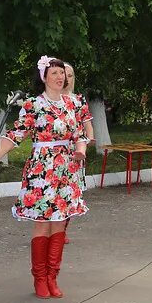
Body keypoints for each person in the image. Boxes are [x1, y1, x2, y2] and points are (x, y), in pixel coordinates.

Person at [0, 56, 89, 298]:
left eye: (62, 73)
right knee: (43, 223)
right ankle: (39, 279)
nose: (60, 77)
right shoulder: (33, 105)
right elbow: (16, 135)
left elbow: (80, 134)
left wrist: (81, 151)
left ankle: (52, 277)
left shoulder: (73, 104)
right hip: (42, 170)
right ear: (44, 77)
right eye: (54, 73)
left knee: (59, 223)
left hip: (67, 170)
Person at [62, 62, 95, 244]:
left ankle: (62, 229)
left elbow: (88, 125)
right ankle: (50, 227)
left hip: (75, 153)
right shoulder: (46, 101)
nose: (66, 79)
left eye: (70, 75)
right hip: (54, 154)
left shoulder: (78, 100)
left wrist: (88, 140)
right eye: (63, 74)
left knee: (69, 194)